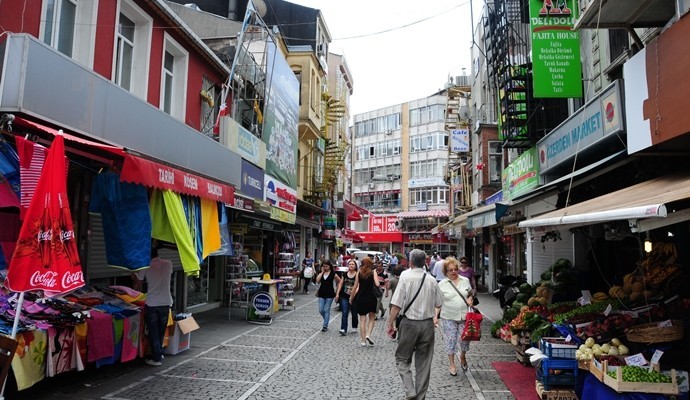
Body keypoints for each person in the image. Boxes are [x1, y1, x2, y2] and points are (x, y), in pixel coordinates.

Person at [386, 249, 442, 400]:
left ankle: (410, 390)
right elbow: (438, 303)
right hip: (427, 326)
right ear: (425, 262)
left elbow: (396, 304)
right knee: (424, 364)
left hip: (409, 324)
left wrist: (390, 323)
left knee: (402, 359)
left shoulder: (405, 277)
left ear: (410, 262)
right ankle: (420, 397)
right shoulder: (431, 280)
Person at [132, 243, 173, 367]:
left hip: (152, 303)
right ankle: (158, 353)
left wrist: (133, 273)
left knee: (153, 332)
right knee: (161, 331)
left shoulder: (146, 266)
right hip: (166, 302)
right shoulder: (168, 263)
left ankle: (156, 359)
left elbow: (137, 284)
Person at [434, 257, 474, 376]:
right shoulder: (442, 284)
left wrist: (470, 299)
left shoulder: (465, 280)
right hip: (448, 317)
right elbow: (438, 303)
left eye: (455, 269)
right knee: (450, 340)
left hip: (464, 316)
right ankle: (451, 363)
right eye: (450, 270)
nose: (453, 272)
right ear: (445, 272)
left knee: (464, 340)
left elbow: (470, 293)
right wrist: (435, 316)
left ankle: (462, 356)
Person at [349, 257, 380, 347]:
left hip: (361, 298)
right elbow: (377, 284)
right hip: (371, 298)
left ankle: (363, 341)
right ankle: (368, 335)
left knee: (362, 320)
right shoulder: (373, 272)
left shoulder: (359, 272)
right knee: (371, 318)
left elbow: (355, 286)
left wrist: (351, 298)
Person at [334, 258, 359, 335]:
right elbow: (341, 284)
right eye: (350, 264)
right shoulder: (345, 274)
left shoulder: (357, 274)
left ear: (355, 266)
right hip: (344, 296)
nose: (351, 265)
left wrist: (353, 294)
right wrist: (337, 294)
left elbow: (358, 286)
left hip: (354, 297)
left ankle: (354, 326)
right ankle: (343, 328)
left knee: (354, 313)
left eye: (353, 264)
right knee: (344, 312)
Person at [315, 260, 340, 332]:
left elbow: (340, 281)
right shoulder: (322, 273)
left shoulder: (333, 274)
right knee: (321, 310)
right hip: (321, 293)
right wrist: (322, 272)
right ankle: (326, 319)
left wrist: (337, 288)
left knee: (326, 309)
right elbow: (317, 280)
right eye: (324, 266)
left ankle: (325, 325)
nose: (325, 267)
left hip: (330, 294)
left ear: (330, 266)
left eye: (326, 266)